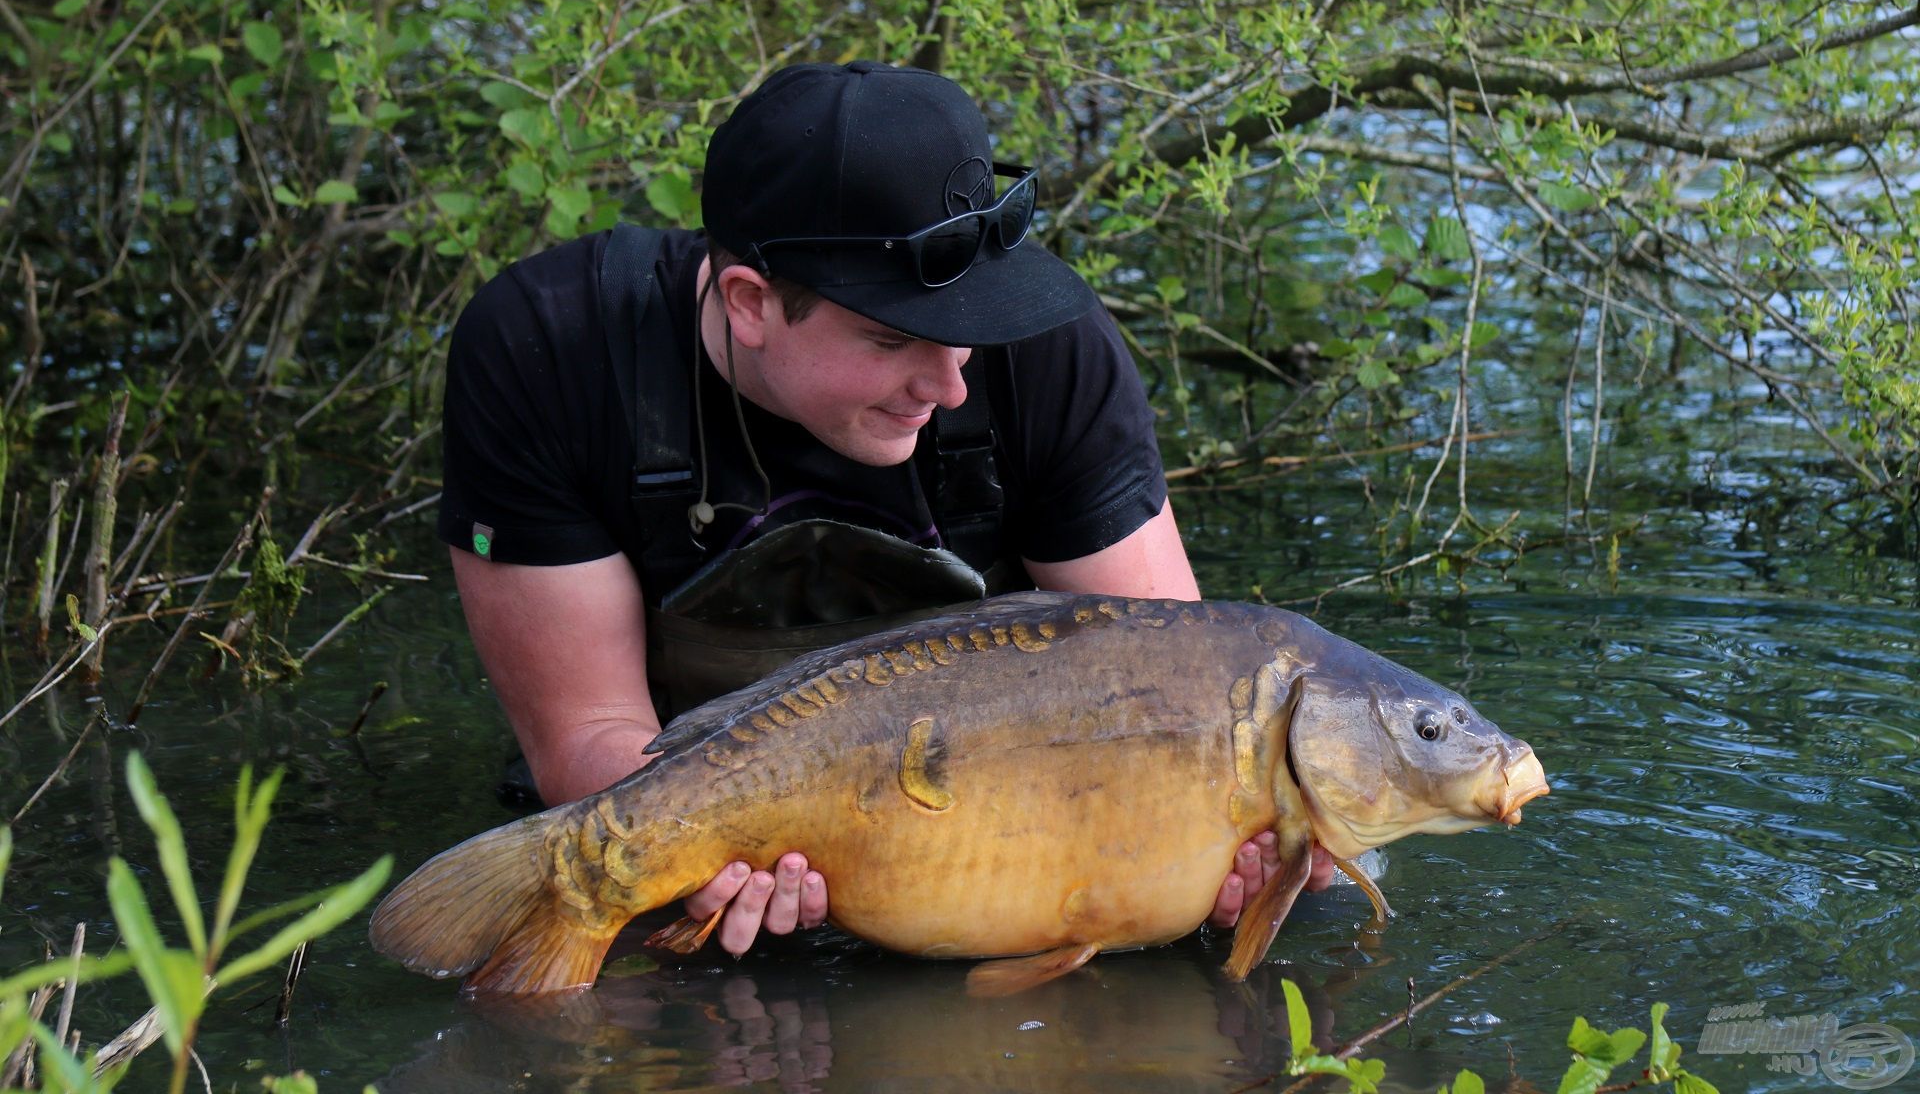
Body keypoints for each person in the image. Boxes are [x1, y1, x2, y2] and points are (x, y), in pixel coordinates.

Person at [436, 61, 1332, 958]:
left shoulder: (1048, 350)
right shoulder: (546, 352)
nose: (950, 385)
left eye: (967, 332)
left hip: (1007, 824)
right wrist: (700, 841)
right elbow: (588, 737)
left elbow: (1177, 692)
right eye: (892, 337)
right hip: (686, 794)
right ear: (750, 303)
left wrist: (1229, 854)